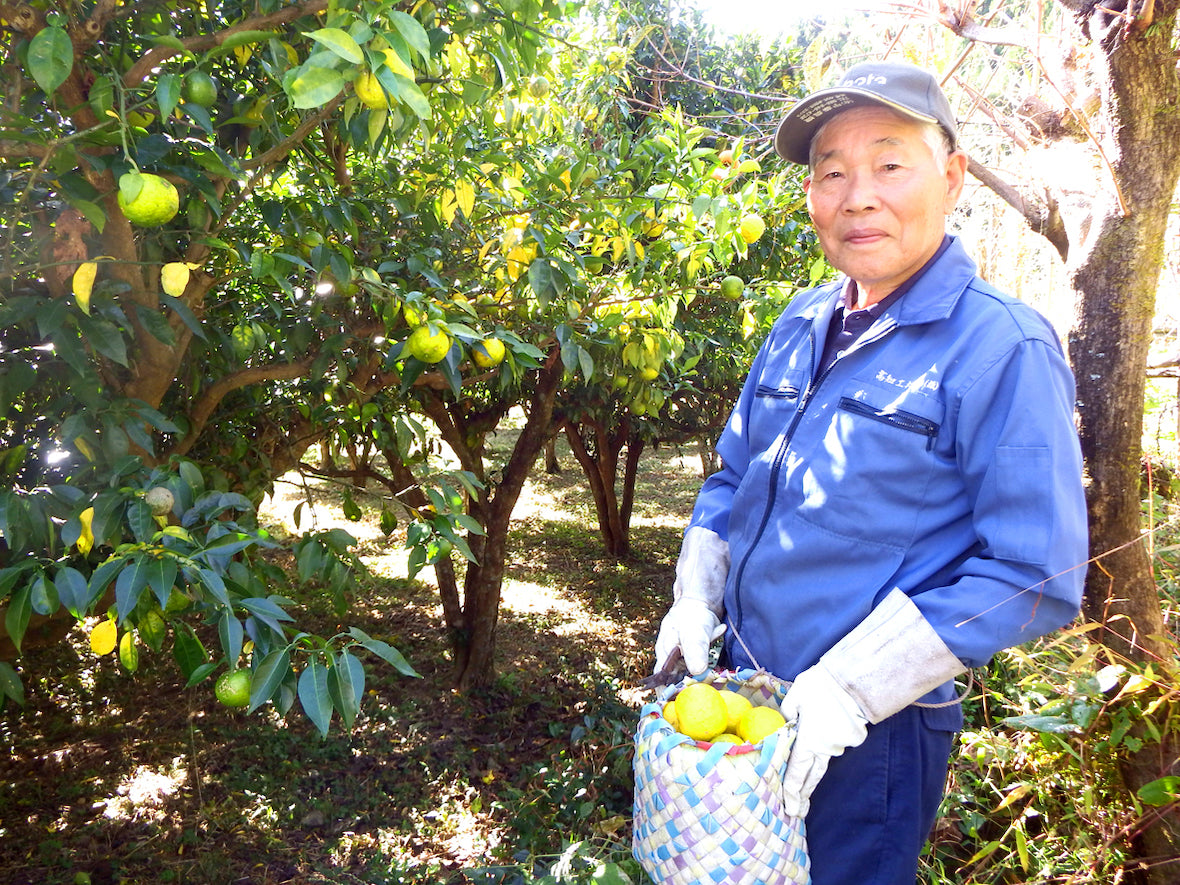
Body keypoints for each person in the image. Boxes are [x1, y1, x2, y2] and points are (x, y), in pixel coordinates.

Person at [652, 61, 1088, 885]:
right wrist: (694, 592)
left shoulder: (1002, 349)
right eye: (832, 172)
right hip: (744, 702)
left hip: (870, 735)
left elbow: (1036, 570)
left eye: (890, 164)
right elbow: (735, 471)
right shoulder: (801, 319)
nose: (858, 195)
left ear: (952, 177)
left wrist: (853, 689)